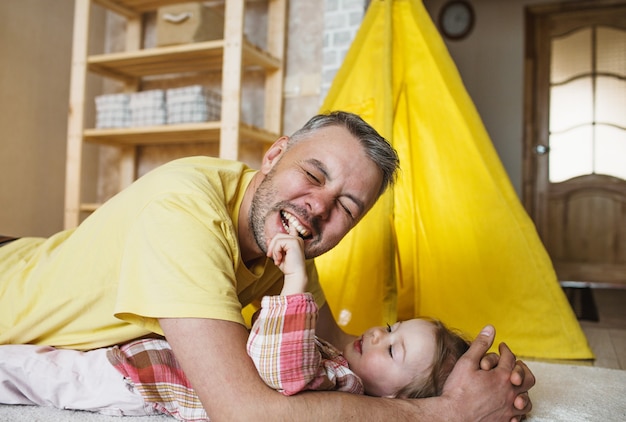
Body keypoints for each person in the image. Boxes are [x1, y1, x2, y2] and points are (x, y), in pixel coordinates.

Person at [0, 111, 534, 420]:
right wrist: (440, 414)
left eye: (347, 206)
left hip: (32, 252)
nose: (318, 206)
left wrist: (472, 378)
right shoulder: (186, 214)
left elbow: (342, 346)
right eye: (314, 173)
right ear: (275, 153)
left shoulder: (287, 242)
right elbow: (247, 413)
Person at [0, 230, 470, 420]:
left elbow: (279, 369)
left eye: (392, 350)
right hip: (148, 354)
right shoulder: (339, 370)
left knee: (36, 374)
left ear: (393, 399)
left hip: (135, 382)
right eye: (390, 327)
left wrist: (295, 284)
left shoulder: (340, 389)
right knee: (43, 358)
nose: (377, 334)